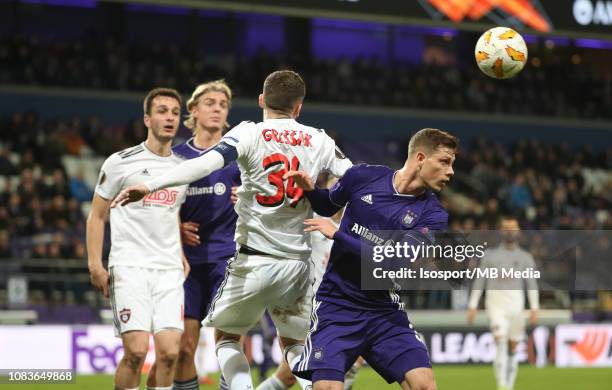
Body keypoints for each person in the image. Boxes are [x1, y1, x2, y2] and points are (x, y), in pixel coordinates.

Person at [111, 70, 352, 390]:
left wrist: (151, 184)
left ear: (262, 101)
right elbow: (353, 179)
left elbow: (205, 163)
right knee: (295, 348)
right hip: (297, 265)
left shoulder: (248, 134)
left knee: (227, 340)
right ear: (299, 108)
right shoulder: (320, 139)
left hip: (251, 260)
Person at [285, 128, 458, 390]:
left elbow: (396, 261)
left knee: (424, 384)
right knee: (327, 388)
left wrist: (339, 235)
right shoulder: (363, 176)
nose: (451, 171)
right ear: (421, 158)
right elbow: (327, 205)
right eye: (444, 161)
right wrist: (310, 190)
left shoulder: (433, 215)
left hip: (383, 311)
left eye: (452, 164)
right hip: (337, 306)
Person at [87, 87, 190, 390]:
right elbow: (96, 216)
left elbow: (173, 213)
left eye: (174, 112)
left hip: (168, 270)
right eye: (162, 111)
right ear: (147, 118)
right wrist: (95, 264)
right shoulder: (119, 162)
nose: (169, 117)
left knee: (171, 353)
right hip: (130, 267)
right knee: (135, 352)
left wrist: (181, 255)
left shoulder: (181, 167)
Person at [171, 80, 240, 390]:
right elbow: (161, 208)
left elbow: (266, 199)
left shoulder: (239, 157)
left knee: (229, 346)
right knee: (183, 348)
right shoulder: (176, 157)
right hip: (186, 264)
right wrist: (176, 227)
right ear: (194, 111)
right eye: (210, 103)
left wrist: (248, 198)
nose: (217, 108)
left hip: (227, 260)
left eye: (222, 105)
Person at [467, 216, 539, 390]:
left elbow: (531, 284)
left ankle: (509, 385)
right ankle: (502, 386)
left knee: (513, 348)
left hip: (517, 308)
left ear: (518, 231)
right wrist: (473, 305)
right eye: (506, 227)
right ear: (501, 230)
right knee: (500, 342)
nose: (510, 230)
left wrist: (535, 308)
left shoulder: (525, 257)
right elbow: (480, 280)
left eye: (513, 227)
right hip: (496, 307)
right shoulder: (490, 256)